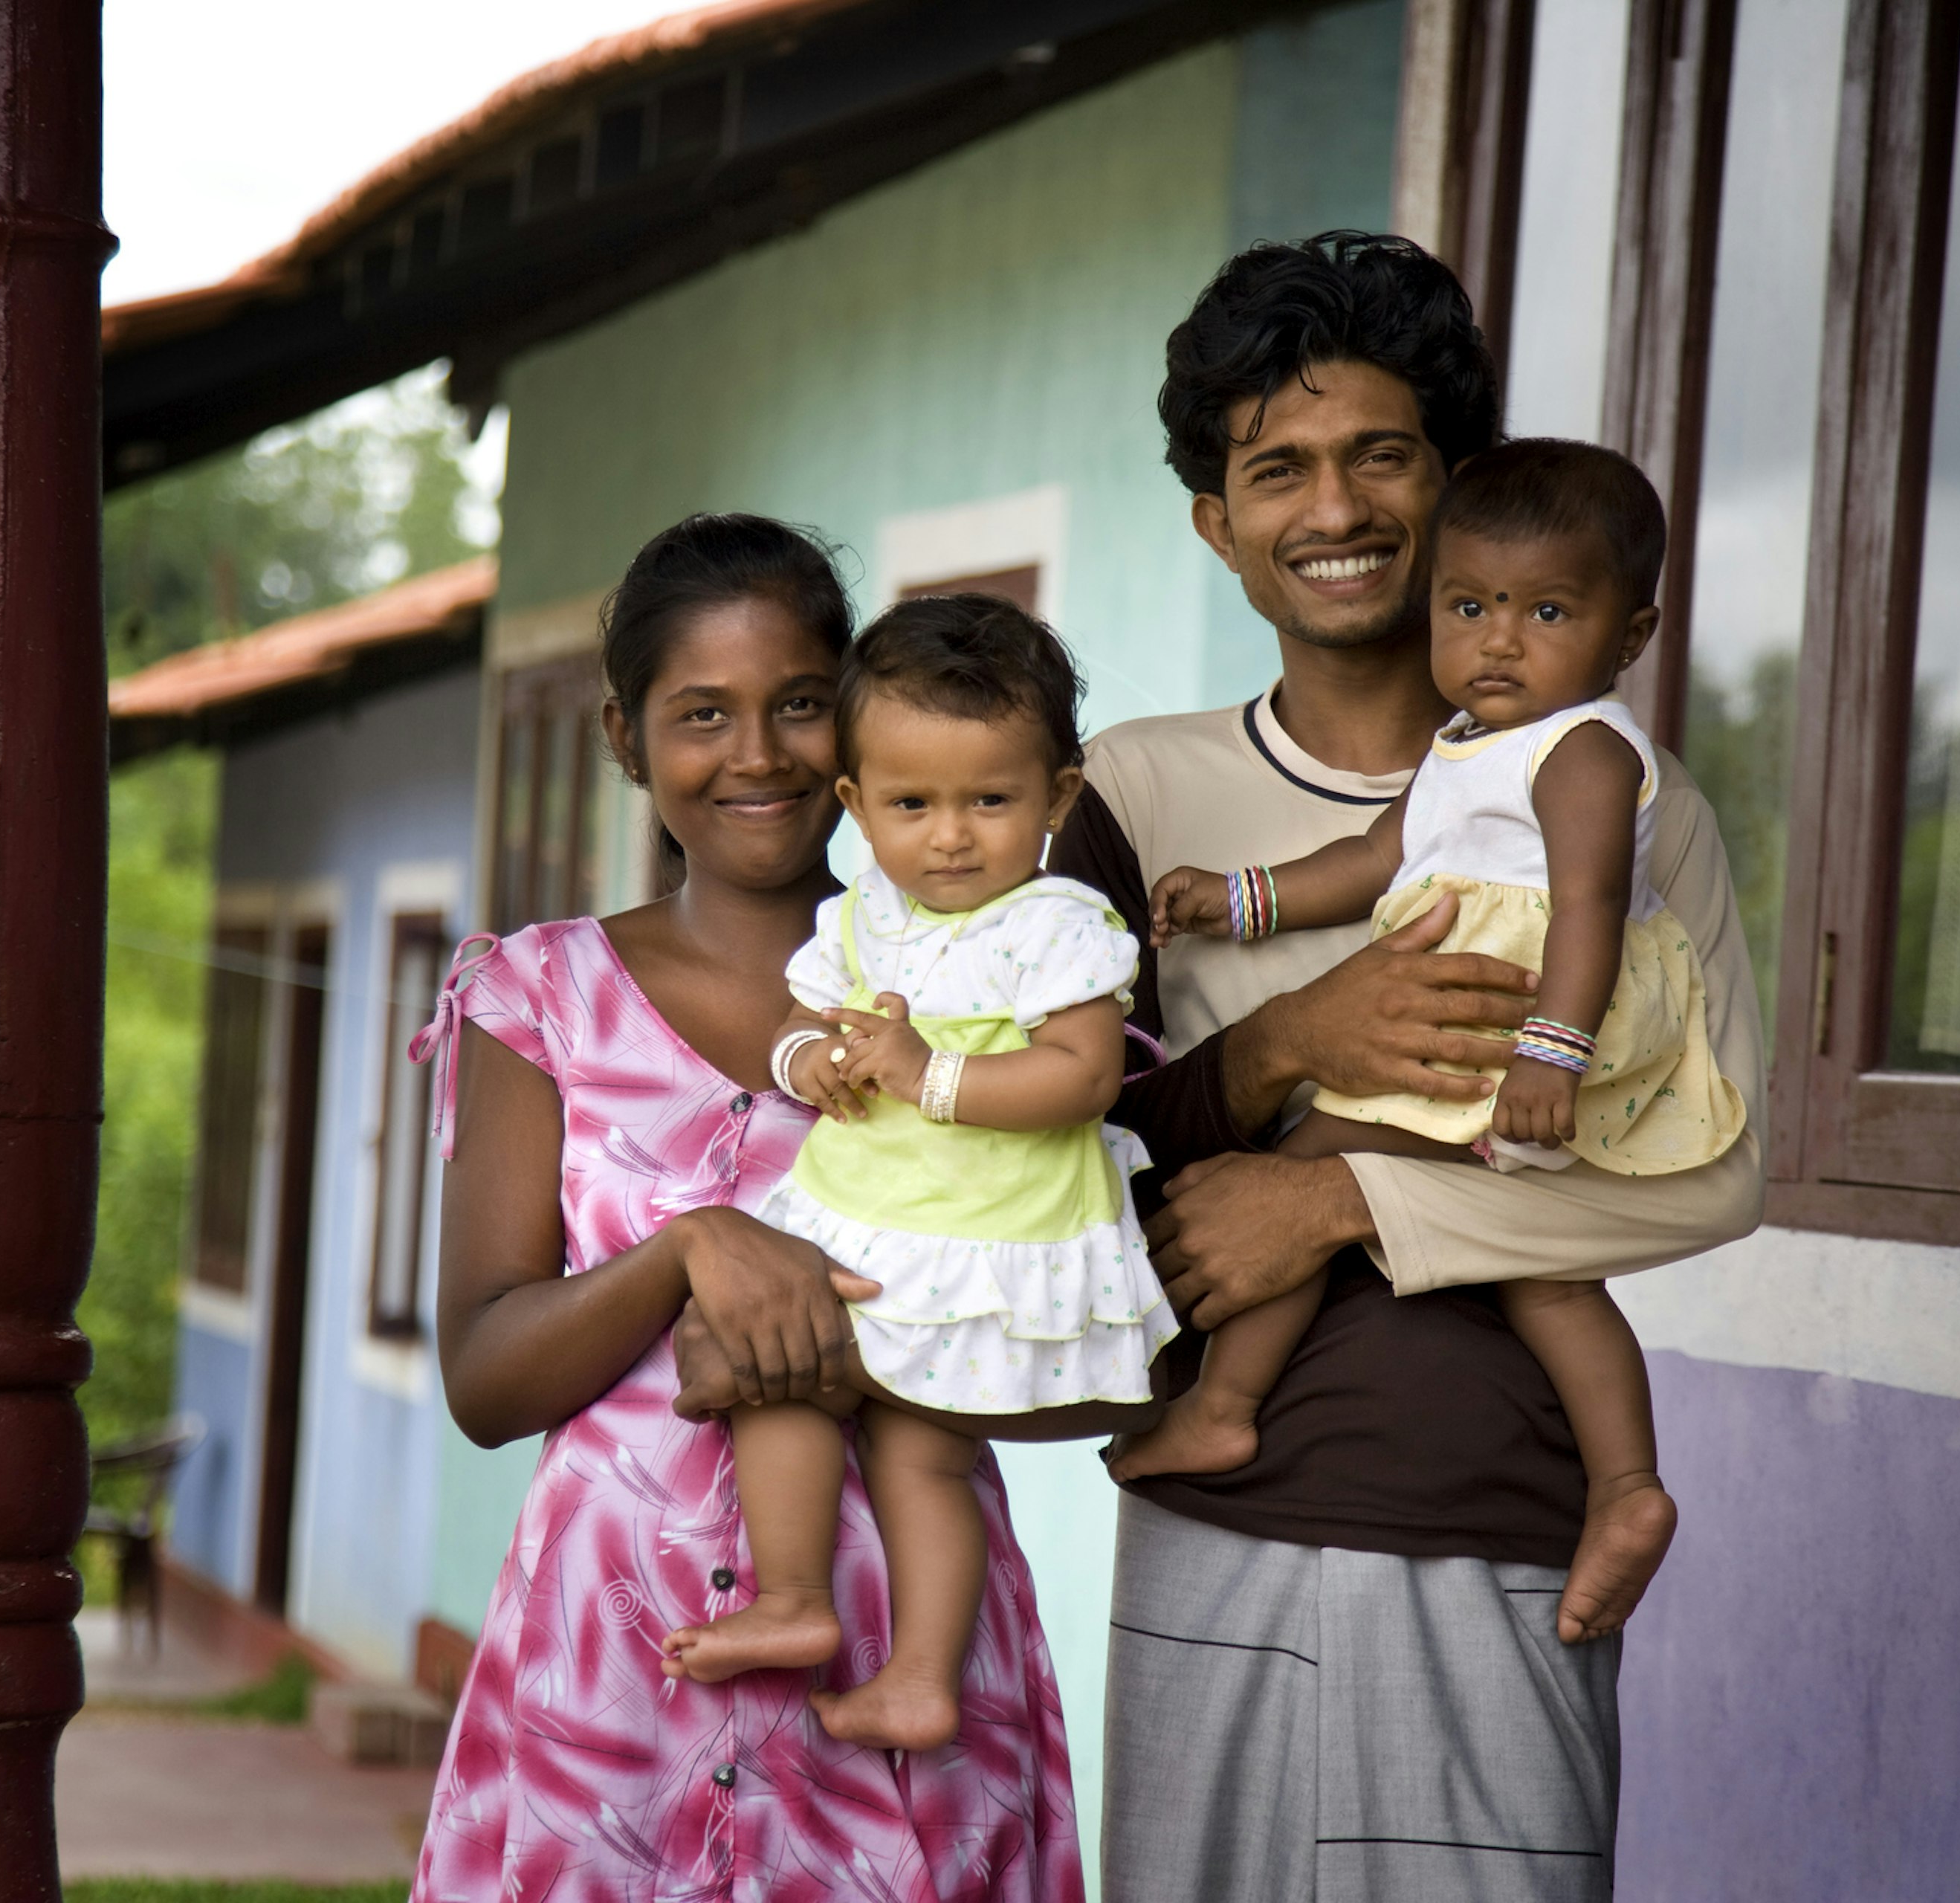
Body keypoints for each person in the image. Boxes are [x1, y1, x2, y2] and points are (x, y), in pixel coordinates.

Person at [1053, 233, 1766, 1899]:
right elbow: (1057, 1146)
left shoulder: (1638, 803)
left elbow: (1720, 1172)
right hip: (1212, 1524)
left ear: (1452, 488)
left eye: (1382, 453)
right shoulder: (1131, 795)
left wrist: (1341, 1198)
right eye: (1275, 468)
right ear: (1216, 522)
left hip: (1500, 1522)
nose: (1335, 507)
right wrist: (1289, 1043)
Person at [410, 515, 1097, 1902]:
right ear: (625, 737)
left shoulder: (991, 990)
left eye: (797, 706)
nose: (758, 755)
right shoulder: (536, 1000)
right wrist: (685, 1254)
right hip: (614, 1680)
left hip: (903, 1659)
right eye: (701, 714)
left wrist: (854, 1344)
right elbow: (486, 1379)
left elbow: (1084, 1328)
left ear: (850, 722)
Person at [1113, 439, 1747, 1648]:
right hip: (1491, 1039)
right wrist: (1236, 900)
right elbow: (1364, 868)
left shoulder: (1591, 755)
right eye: (1471, 608)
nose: (1499, 642)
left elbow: (1595, 907)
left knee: (1297, 1176)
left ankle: (1223, 1406)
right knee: (1548, 1272)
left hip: (1521, 1033)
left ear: (1631, 632)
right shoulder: (1461, 749)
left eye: (1547, 611)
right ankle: (1627, 1486)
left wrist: (1553, 1053)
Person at [659, 594, 1177, 1752]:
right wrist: (816, 1064)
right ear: (854, 805)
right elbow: (795, 1027)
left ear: (1060, 795)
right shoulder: (863, 920)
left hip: (991, 1234)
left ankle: (920, 1675)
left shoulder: (1059, 923)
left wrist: (924, 1073)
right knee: (775, 1374)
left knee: (925, 1450)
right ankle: (794, 1598)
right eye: (910, 804)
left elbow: (1085, 1077)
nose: (950, 835)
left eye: (990, 800)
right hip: (862, 1221)